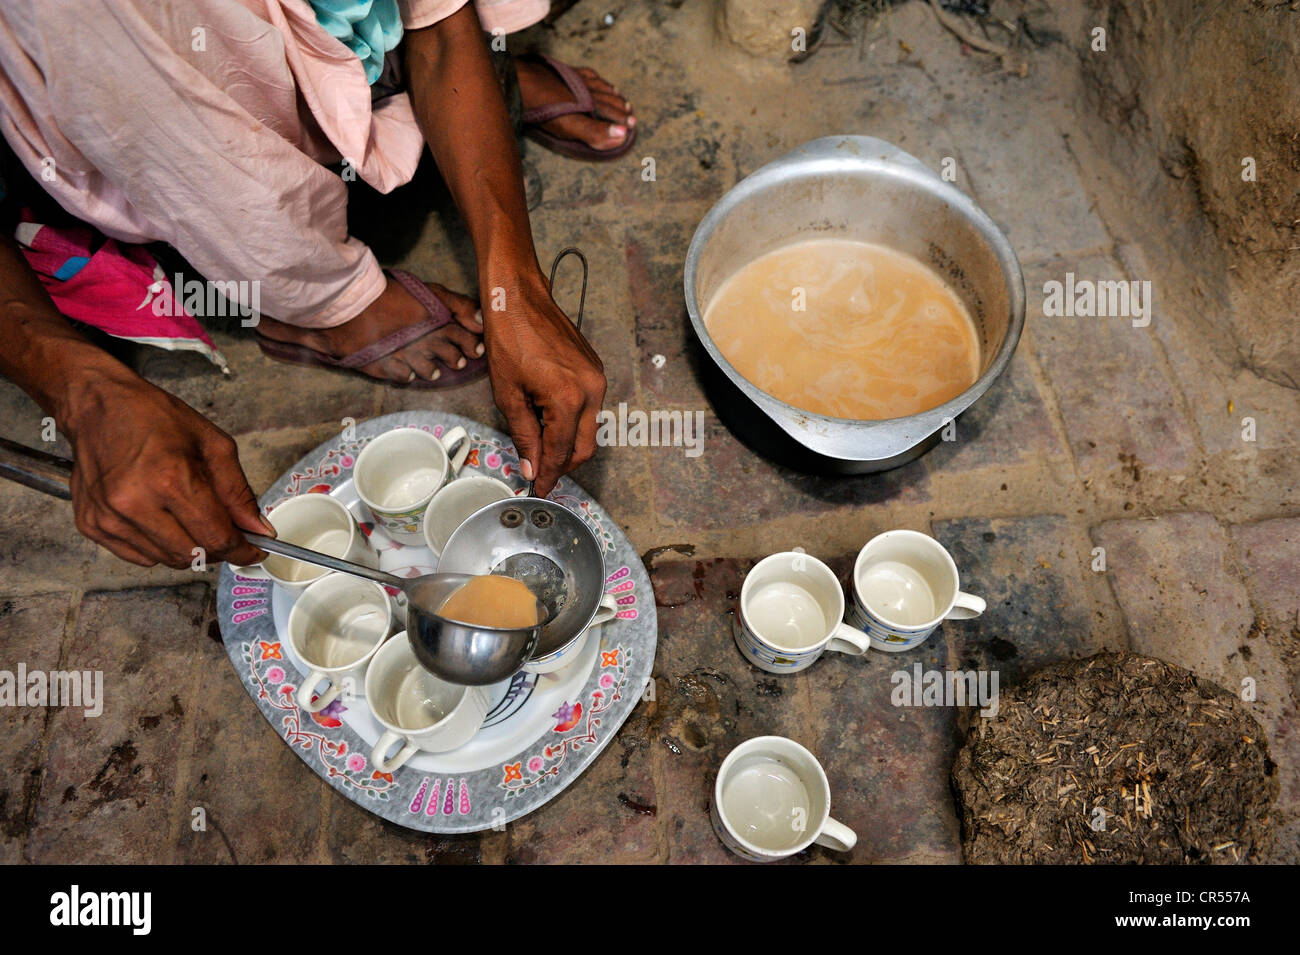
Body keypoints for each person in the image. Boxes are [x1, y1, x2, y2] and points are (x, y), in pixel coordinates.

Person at [0, 0, 636, 570]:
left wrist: (516, 292)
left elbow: (436, 21)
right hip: (155, 126)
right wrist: (82, 392)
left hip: (326, 31)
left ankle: (467, 72)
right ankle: (320, 299)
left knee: (457, 38)